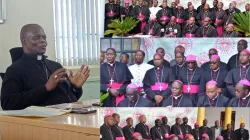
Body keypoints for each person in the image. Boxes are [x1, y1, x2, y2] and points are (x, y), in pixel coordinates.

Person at [1, 24, 89, 110]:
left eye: (44, 37)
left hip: (68, 117)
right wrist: (45, 88)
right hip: (42, 121)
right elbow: (7, 103)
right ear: (24, 41)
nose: (43, 41)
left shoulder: (56, 66)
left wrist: (75, 87)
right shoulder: (15, 70)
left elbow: (69, 99)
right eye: (36, 38)